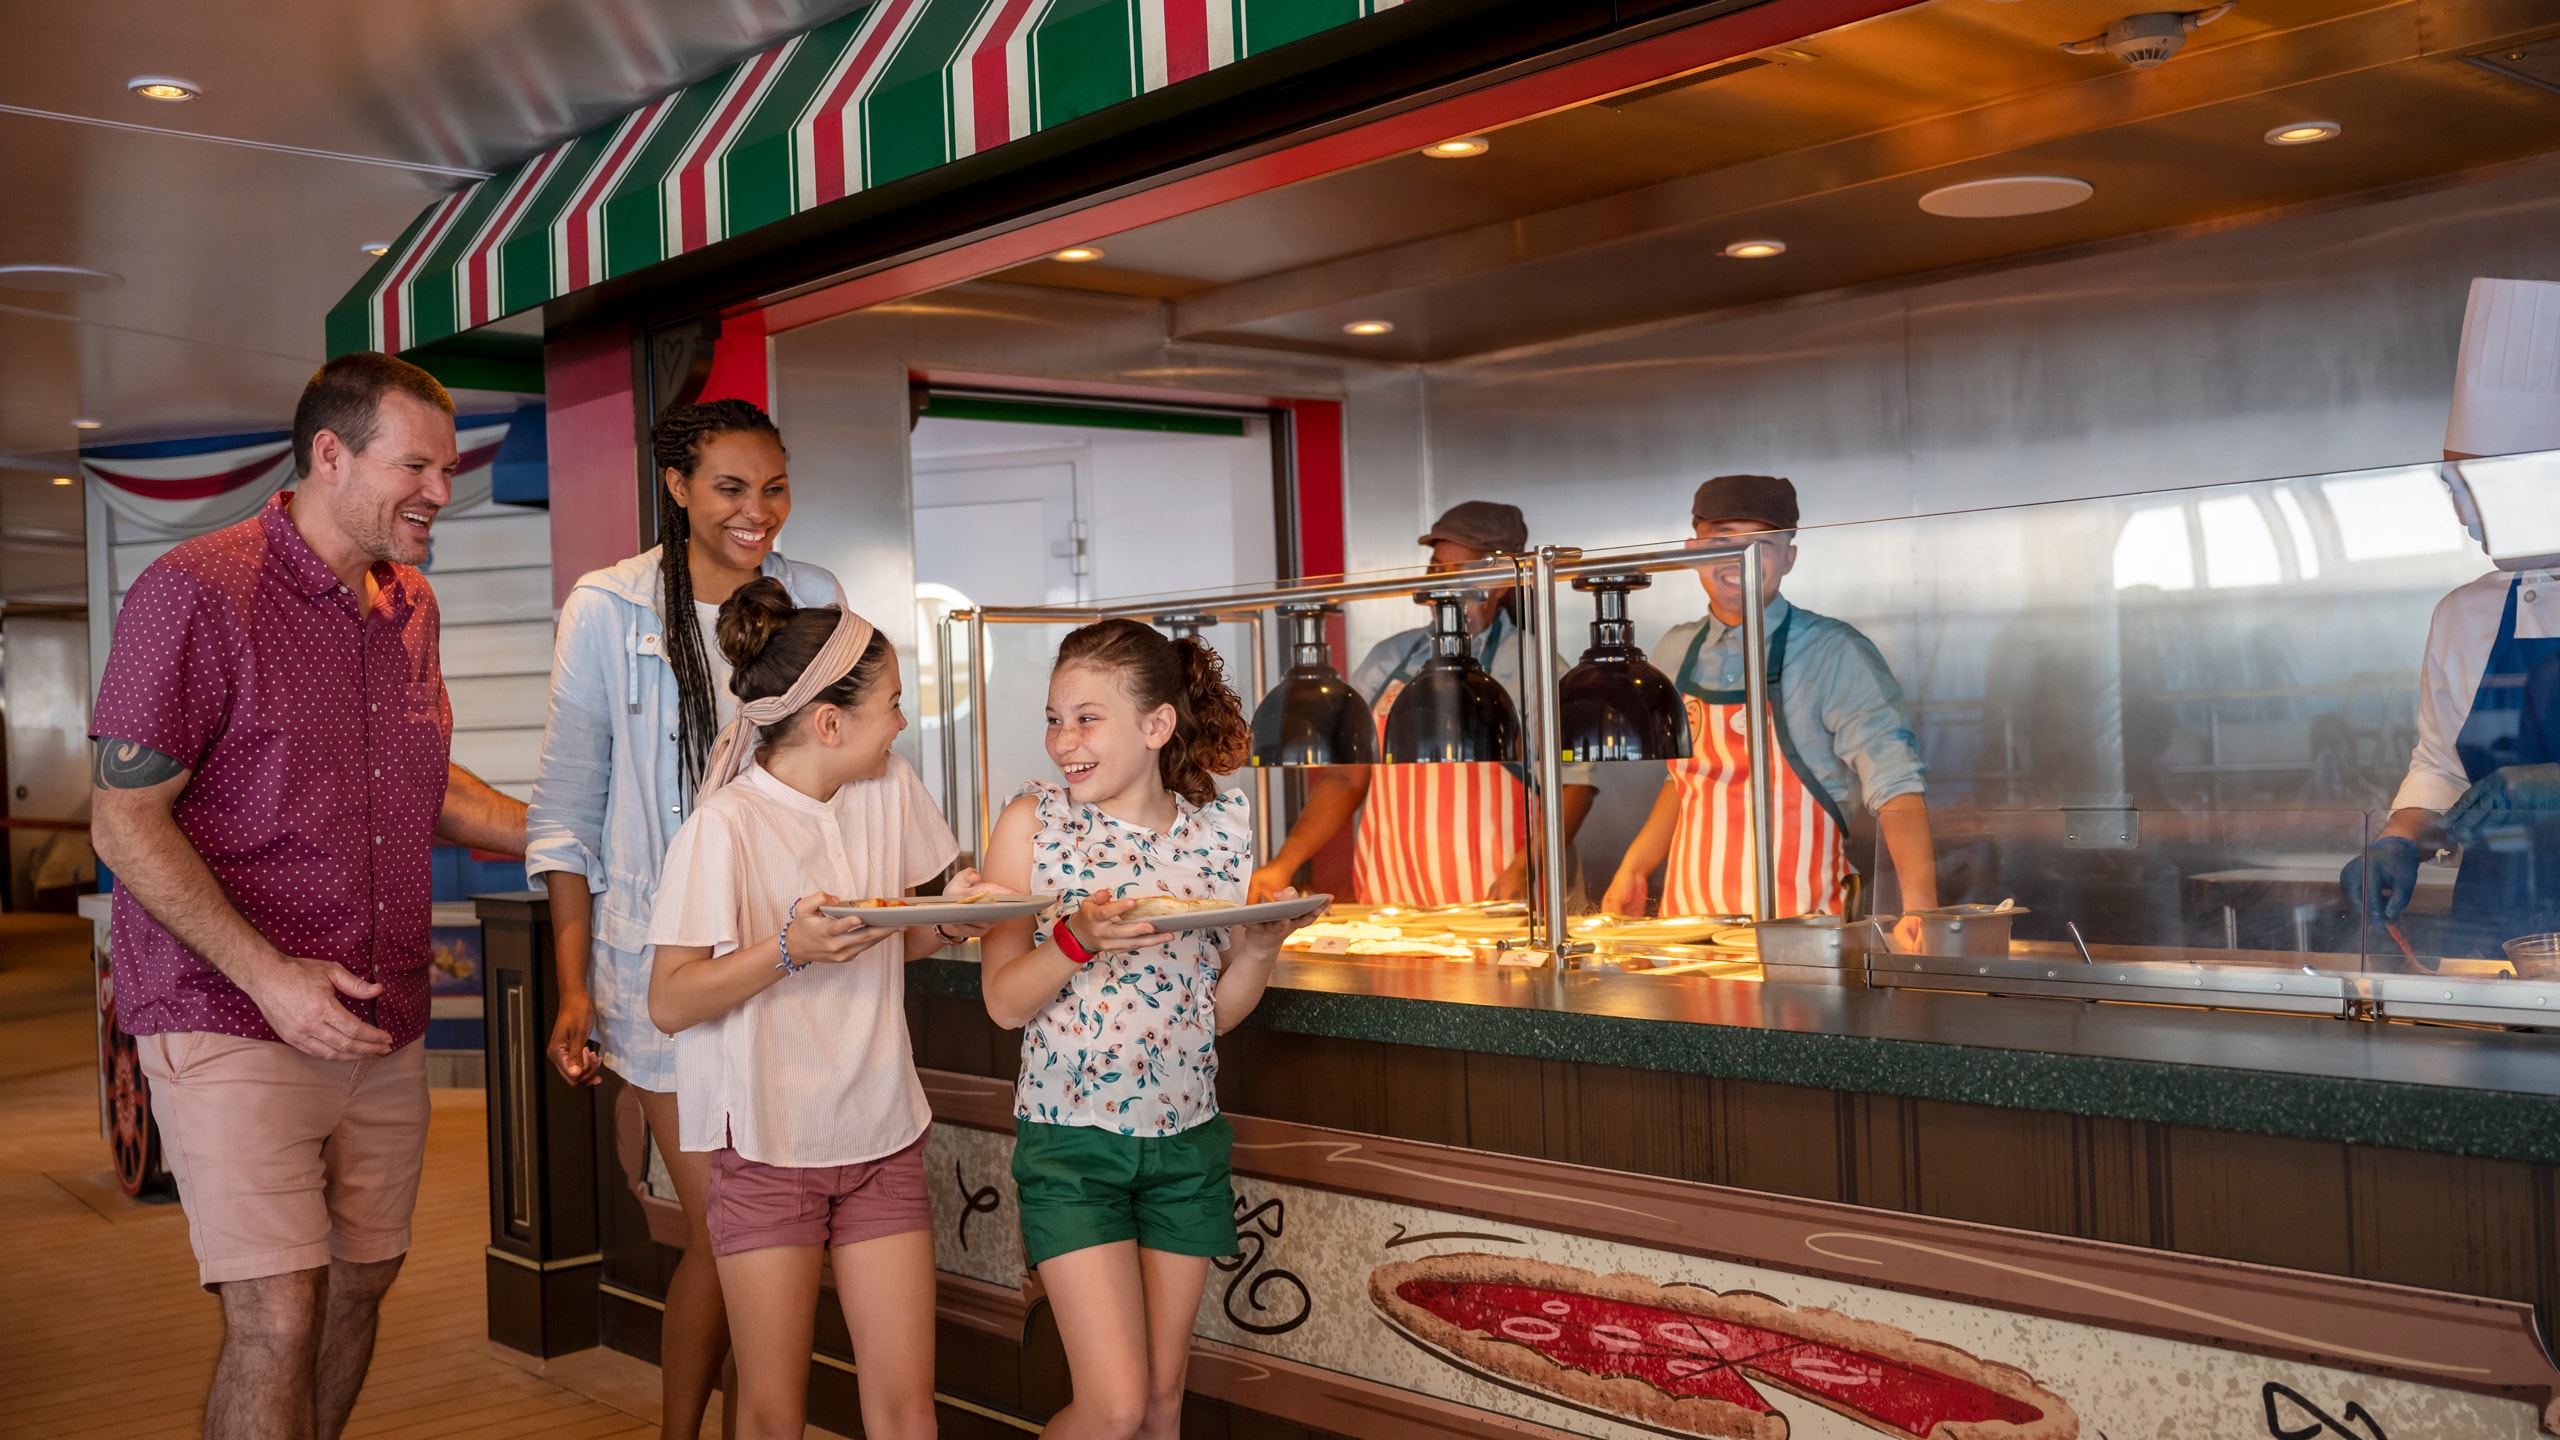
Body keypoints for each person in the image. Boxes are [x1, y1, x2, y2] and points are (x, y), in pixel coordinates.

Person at [87, 352, 527, 1440]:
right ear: (329, 455)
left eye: (450, 465)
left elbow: (423, 788)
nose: (442, 490)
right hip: (230, 1012)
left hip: (382, 1024)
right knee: (278, 1316)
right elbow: (123, 817)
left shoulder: (409, 604)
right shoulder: (193, 591)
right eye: (417, 465)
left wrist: (585, 837)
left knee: (359, 1286)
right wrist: (271, 980)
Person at [525, 398, 841, 1438]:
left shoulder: (819, 598)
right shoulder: (608, 609)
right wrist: (574, 988)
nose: (761, 513)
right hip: (661, 979)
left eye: (776, 487)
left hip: (795, 963)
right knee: (735, 1237)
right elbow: (567, 817)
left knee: (759, 1244)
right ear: (676, 487)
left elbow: (852, 770)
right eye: (732, 489)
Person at [644, 580, 970, 1440]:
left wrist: (956, 913)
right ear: (829, 723)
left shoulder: (888, 787)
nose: (903, 722)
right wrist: (788, 950)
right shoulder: (725, 827)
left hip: (881, 1132)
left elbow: (904, 938)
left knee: (907, 1411)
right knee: (771, 1410)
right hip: (767, 1143)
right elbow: (669, 1001)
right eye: (893, 704)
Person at [969, 620, 1304, 1440]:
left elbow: (1210, 1014)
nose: (1062, 742)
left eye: (1086, 719)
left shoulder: (1221, 831)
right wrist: (1077, 940)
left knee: (1160, 1406)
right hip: (1071, 1146)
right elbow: (1006, 1003)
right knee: (1114, 1407)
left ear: (1157, 726)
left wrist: (1259, 951)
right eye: (1054, 719)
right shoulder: (1032, 825)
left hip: (1186, 1143)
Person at [1603, 475, 1938, 940]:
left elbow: (1897, 786)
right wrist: (1635, 868)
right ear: (1691, 549)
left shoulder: (1835, 653)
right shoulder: (1673, 652)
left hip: (1807, 933)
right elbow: (1684, 782)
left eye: (1761, 542)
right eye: (1721, 539)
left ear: (1789, 557)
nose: (1738, 557)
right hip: (1685, 936)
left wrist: (1922, 912)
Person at [2344, 277, 2560, 959]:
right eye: (2453, 484)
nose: (2464, 512)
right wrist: (2400, 839)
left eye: (2482, 485)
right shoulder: (2463, 615)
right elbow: (2441, 764)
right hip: (2497, 922)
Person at [1246, 501, 1599, 906]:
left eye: (1456, 571)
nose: (1439, 585)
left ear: (1502, 582)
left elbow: (1574, 786)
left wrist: (1521, 870)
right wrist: (1284, 863)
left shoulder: (1535, 667)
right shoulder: (1390, 660)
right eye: (1435, 568)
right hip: (1392, 903)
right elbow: (1346, 778)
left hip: (1501, 904)